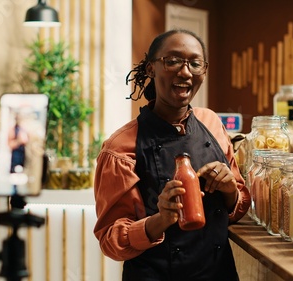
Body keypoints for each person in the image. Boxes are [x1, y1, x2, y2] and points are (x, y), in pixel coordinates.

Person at [93, 29, 251, 281]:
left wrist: (230, 189)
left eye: (195, 63)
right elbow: (111, 241)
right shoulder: (120, 148)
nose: (185, 72)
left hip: (218, 273)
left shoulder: (211, 123)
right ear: (151, 69)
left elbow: (239, 206)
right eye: (173, 60)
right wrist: (160, 220)